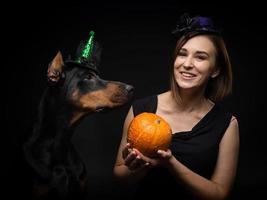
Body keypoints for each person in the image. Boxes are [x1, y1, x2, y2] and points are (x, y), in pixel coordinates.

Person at [113, 13, 239, 200]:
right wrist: (139, 167)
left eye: (200, 57)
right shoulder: (142, 109)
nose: (187, 64)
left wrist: (171, 163)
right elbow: (119, 177)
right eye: (182, 54)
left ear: (216, 69)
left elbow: (219, 193)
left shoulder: (227, 124)